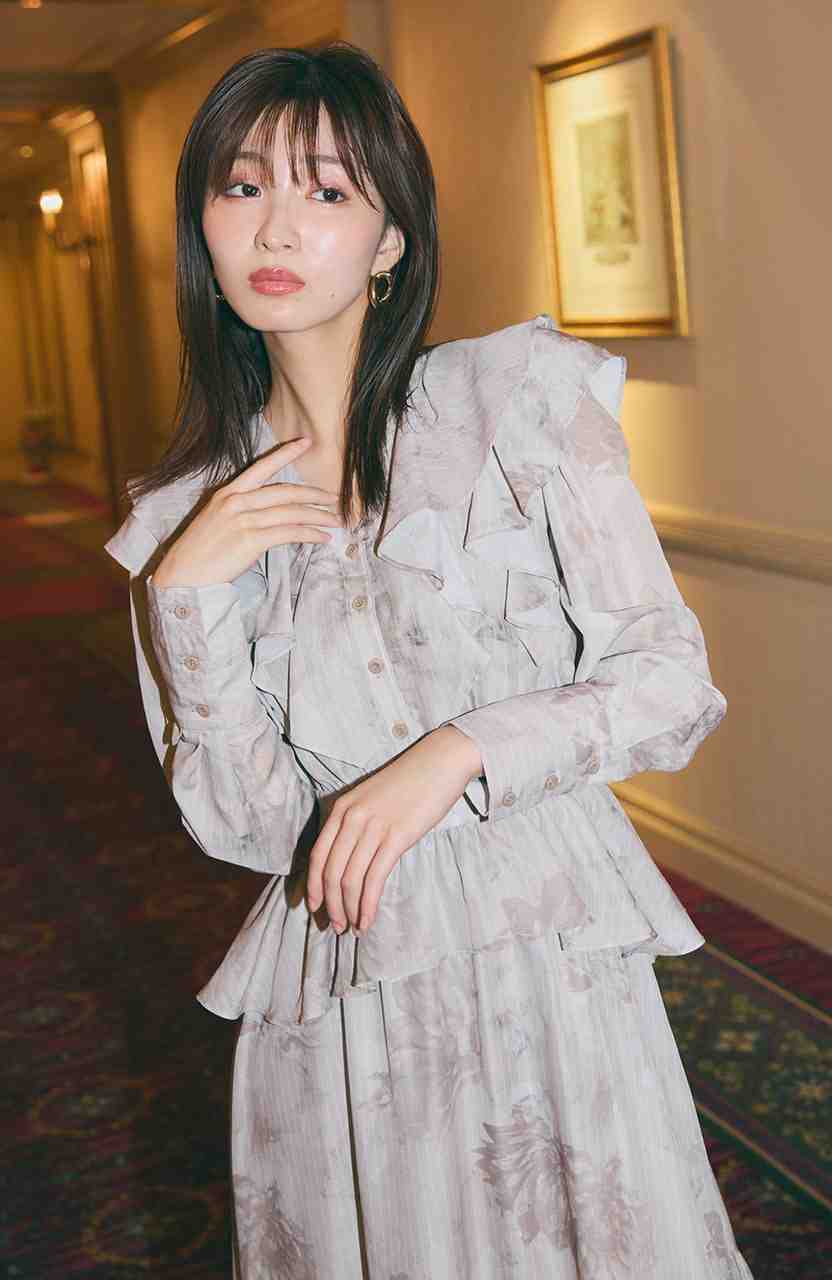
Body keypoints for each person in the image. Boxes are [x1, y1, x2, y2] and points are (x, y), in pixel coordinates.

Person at [105, 41, 753, 1280]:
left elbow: (671, 681)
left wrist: (455, 752)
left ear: (390, 239)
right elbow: (248, 825)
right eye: (242, 186)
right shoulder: (186, 519)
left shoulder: (513, 403)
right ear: (203, 224)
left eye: (325, 190)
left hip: (543, 955)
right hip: (341, 987)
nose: (276, 225)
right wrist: (186, 598)